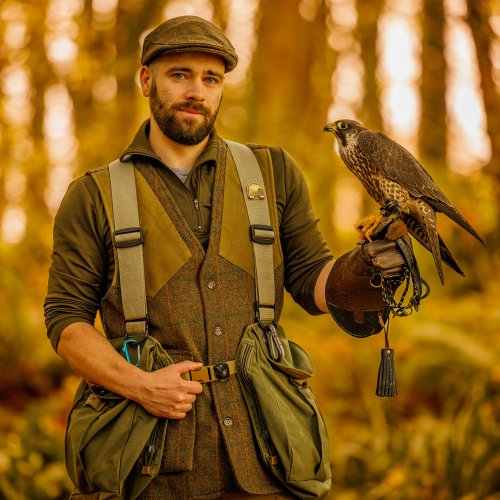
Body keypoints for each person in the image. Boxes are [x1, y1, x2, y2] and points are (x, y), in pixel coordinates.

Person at [44, 15, 406, 499]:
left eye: (211, 78)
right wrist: (138, 384)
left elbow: (311, 281)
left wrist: (365, 269)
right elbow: (65, 320)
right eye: (180, 75)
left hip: (270, 456)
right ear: (147, 79)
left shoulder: (273, 171)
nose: (197, 90)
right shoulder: (93, 195)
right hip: (151, 463)